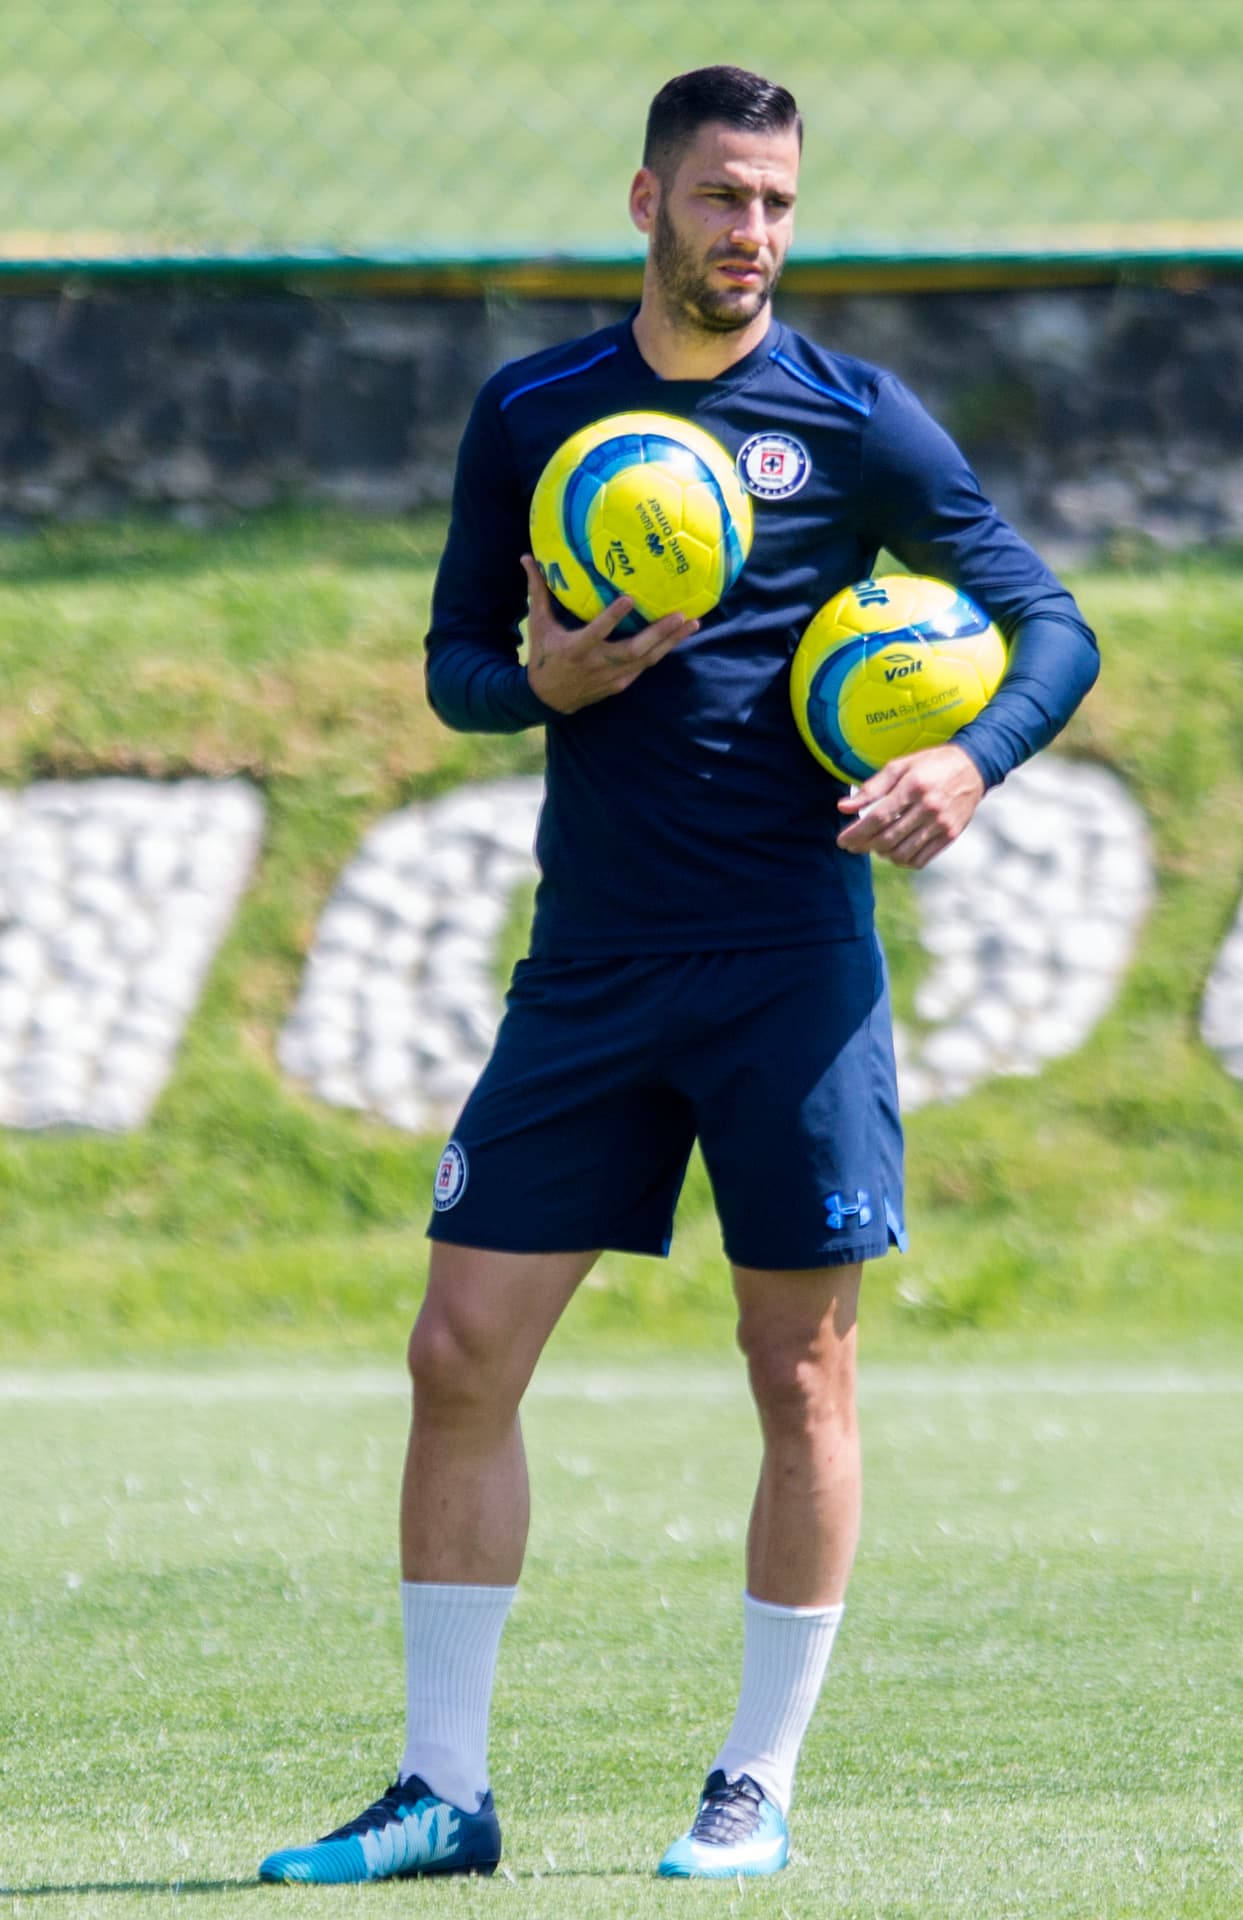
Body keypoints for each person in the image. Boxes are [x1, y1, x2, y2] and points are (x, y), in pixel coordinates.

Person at [259, 64, 1098, 1885]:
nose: (755, 238)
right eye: (724, 200)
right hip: (592, 961)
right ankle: (440, 1791)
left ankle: (756, 1783)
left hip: (795, 962)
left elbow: (1054, 621)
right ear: (648, 204)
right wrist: (542, 689)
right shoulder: (539, 410)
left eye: (782, 205)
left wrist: (973, 758)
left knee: (798, 1370)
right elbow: (459, 665)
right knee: (458, 1348)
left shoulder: (855, 419)